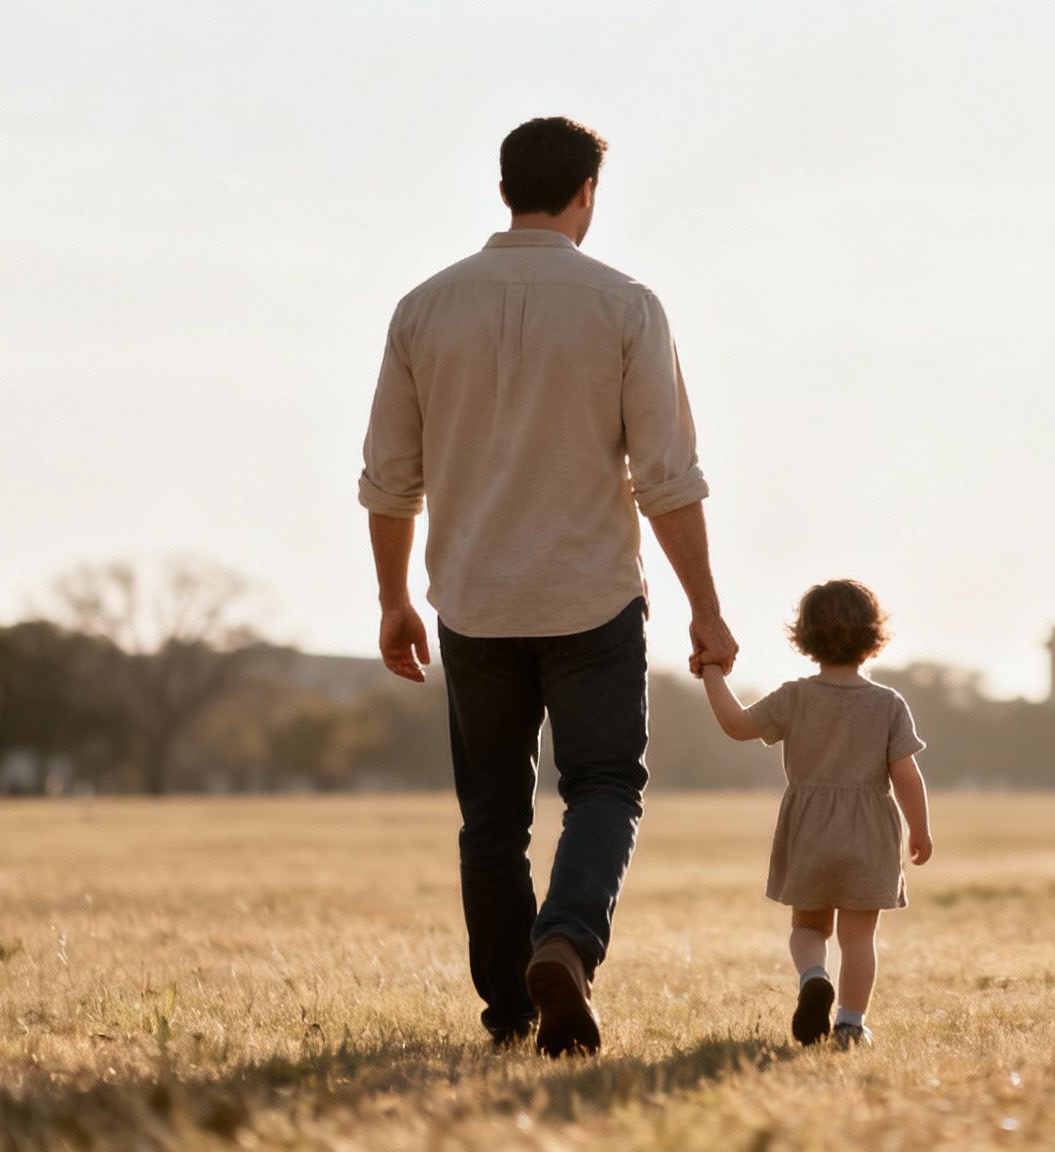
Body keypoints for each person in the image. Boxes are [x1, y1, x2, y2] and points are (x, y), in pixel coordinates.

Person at [357, 116, 737, 1058]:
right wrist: (706, 606)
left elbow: (388, 479)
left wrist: (392, 598)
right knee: (605, 785)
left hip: (473, 602)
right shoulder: (627, 305)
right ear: (586, 195)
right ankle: (565, 942)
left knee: (491, 813)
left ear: (502, 191)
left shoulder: (423, 308)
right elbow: (667, 479)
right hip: (593, 600)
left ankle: (509, 1010)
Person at [699, 579, 932, 1049]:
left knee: (808, 927)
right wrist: (920, 829)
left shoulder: (795, 697)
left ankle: (812, 978)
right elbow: (906, 773)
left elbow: (736, 725)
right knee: (858, 936)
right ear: (874, 636)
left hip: (809, 829)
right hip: (869, 832)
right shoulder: (888, 704)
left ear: (804, 636)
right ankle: (849, 1023)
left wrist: (711, 673)